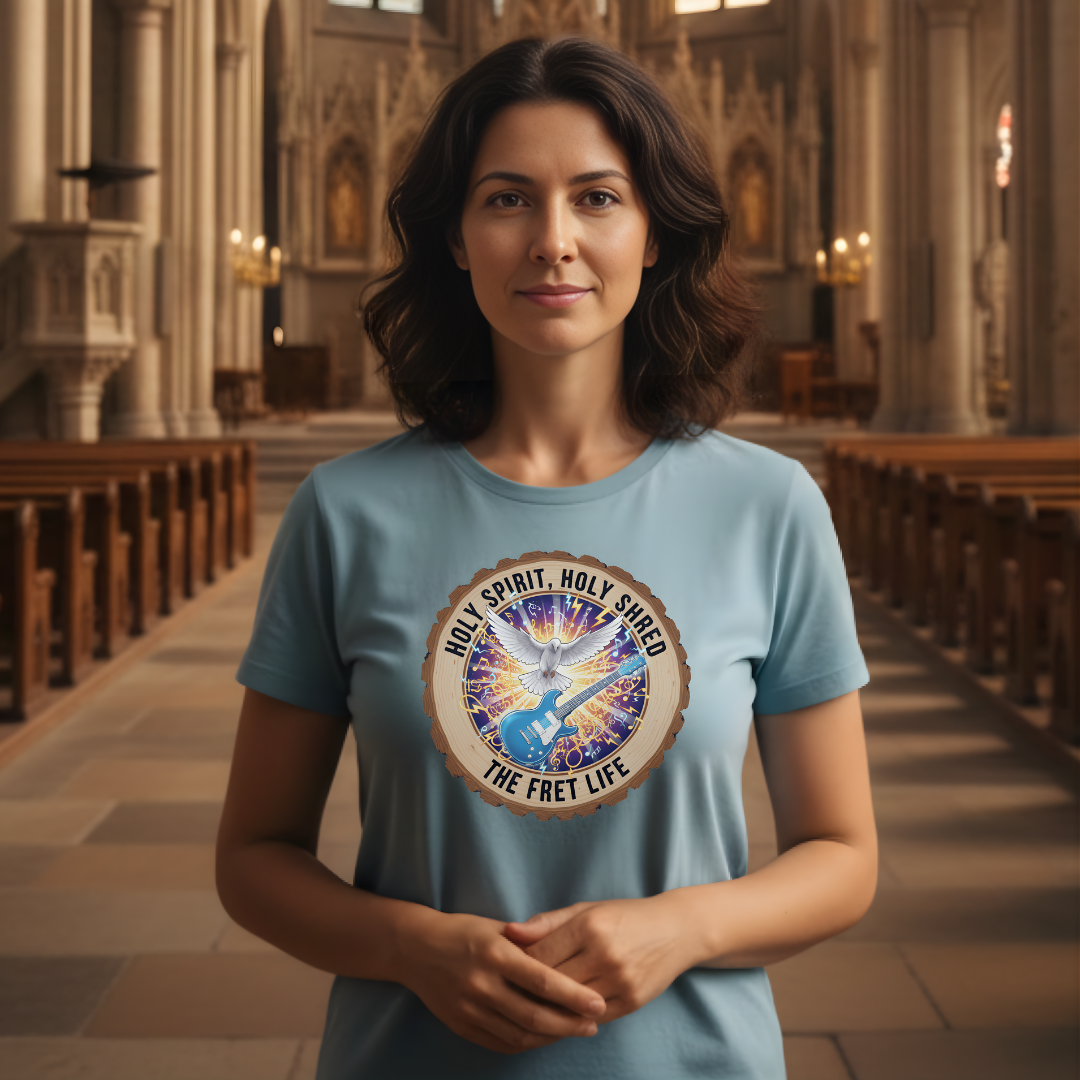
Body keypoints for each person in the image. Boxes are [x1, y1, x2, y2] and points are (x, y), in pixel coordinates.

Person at [216, 36, 877, 1080]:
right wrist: (412, 947)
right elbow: (253, 861)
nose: (554, 241)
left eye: (599, 198)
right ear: (457, 235)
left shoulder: (768, 505)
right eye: (509, 199)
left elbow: (843, 859)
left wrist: (684, 929)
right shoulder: (346, 512)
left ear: (654, 231)